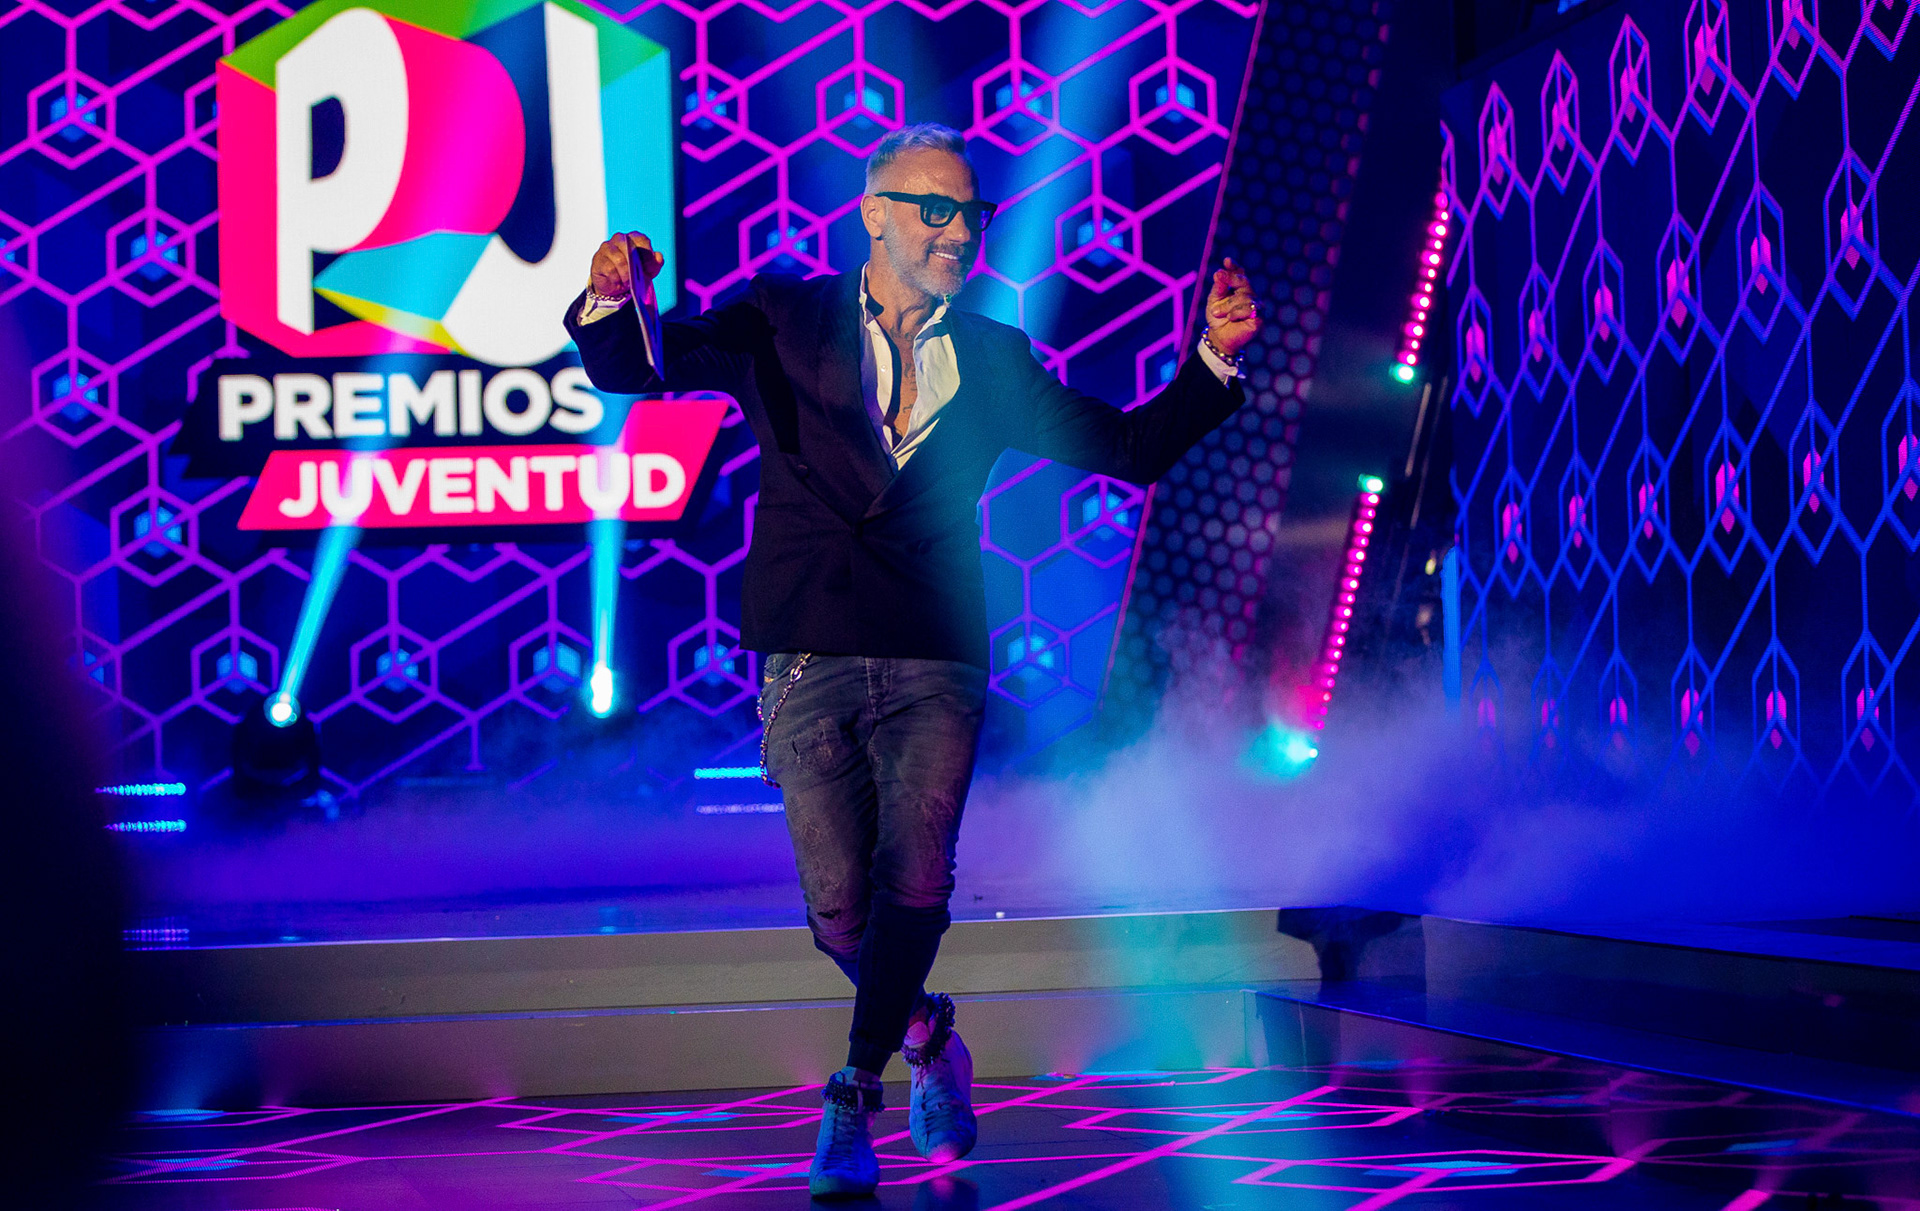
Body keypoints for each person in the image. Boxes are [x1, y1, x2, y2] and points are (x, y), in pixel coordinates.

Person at [566, 122, 1261, 1198]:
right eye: (935, 210)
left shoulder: (993, 355)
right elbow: (636, 368)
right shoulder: (781, 315)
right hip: (808, 646)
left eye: (971, 215)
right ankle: (927, 1028)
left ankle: (853, 1094)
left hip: (937, 651)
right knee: (841, 908)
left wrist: (1215, 358)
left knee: (917, 877)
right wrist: (613, 296)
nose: (958, 233)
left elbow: (1130, 449)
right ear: (873, 214)